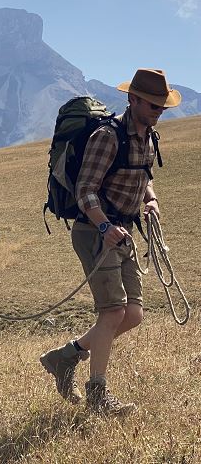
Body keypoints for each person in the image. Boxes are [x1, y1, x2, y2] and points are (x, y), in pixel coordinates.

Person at [40, 68, 182, 416]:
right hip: (96, 233)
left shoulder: (148, 137)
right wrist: (104, 227)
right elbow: (85, 190)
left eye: (161, 106)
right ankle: (97, 396)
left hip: (125, 232)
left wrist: (151, 200)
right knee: (113, 312)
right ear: (132, 99)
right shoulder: (107, 136)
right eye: (152, 104)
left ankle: (65, 356)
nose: (158, 111)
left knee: (133, 314)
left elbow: (144, 178)